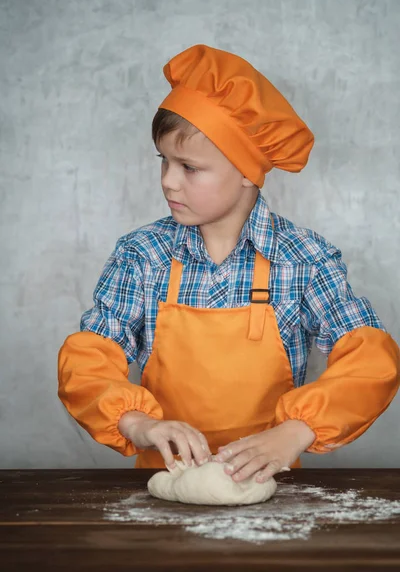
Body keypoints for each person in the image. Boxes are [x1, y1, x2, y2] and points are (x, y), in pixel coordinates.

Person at [58, 44, 400, 484]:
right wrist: (138, 424)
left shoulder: (304, 259)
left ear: (245, 170)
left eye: (189, 167)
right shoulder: (142, 255)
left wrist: (296, 432)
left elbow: (370, 359)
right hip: (165, 481)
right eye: (163, 161)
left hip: (270, 486)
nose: (168, 180)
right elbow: (90, 361)